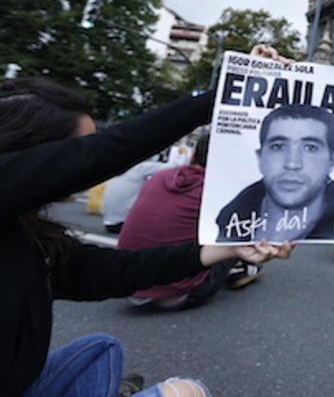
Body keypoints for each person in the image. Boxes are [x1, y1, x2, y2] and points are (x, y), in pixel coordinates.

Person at [0, 65, 294, 395]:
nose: (87, 166)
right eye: (79, 148)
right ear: (40, 150)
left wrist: (226, 249)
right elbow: (108, 151)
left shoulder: (33, 238)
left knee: (103, 347)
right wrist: (228, 94)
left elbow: (115, 269)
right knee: (188, 391)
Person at [118, 134, 263, 311]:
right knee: (233, 236)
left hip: (125, 281)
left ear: (194, 155)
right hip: (175, 295)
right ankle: (240, 269)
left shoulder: (160, 177)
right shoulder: (221, 192)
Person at [215, 104, 334, 243]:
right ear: (260, 157)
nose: (292, 164)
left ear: (332, 161)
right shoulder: (222, 225)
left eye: (310, 148)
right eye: (278, 146)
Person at [100, 152, 184, 233]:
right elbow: (175, 166)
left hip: (109, 222)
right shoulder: (140, 167)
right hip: (124, 224)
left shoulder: (123, 168)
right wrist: (183, 153)